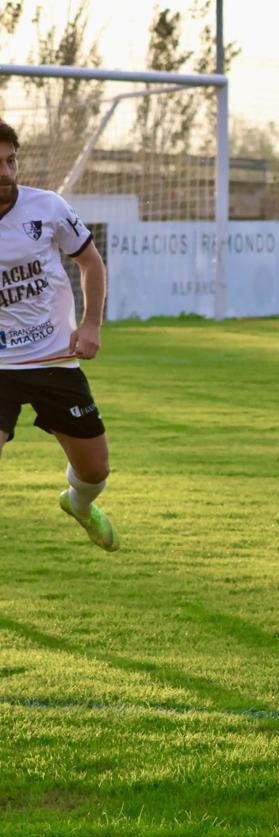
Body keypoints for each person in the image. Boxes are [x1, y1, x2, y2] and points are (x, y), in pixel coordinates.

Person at [0, 120, 119, 551]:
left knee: (95, 471)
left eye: (10, 161)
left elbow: (90, 262)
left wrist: (90, 324)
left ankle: (79, 505)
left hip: (54, 359)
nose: (6, 173)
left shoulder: (47, 207)